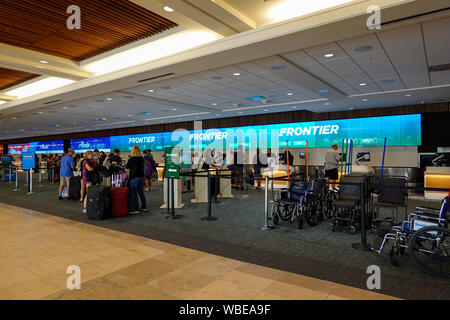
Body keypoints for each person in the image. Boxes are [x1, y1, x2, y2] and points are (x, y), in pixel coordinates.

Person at [126, 145, 147, 214]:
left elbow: (127, 166)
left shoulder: (131, 159)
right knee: (141, 192)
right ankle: (144, 207)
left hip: (134, 177)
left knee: (134, 193)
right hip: (141, 177)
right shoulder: (142, 158)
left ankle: (136, 209)